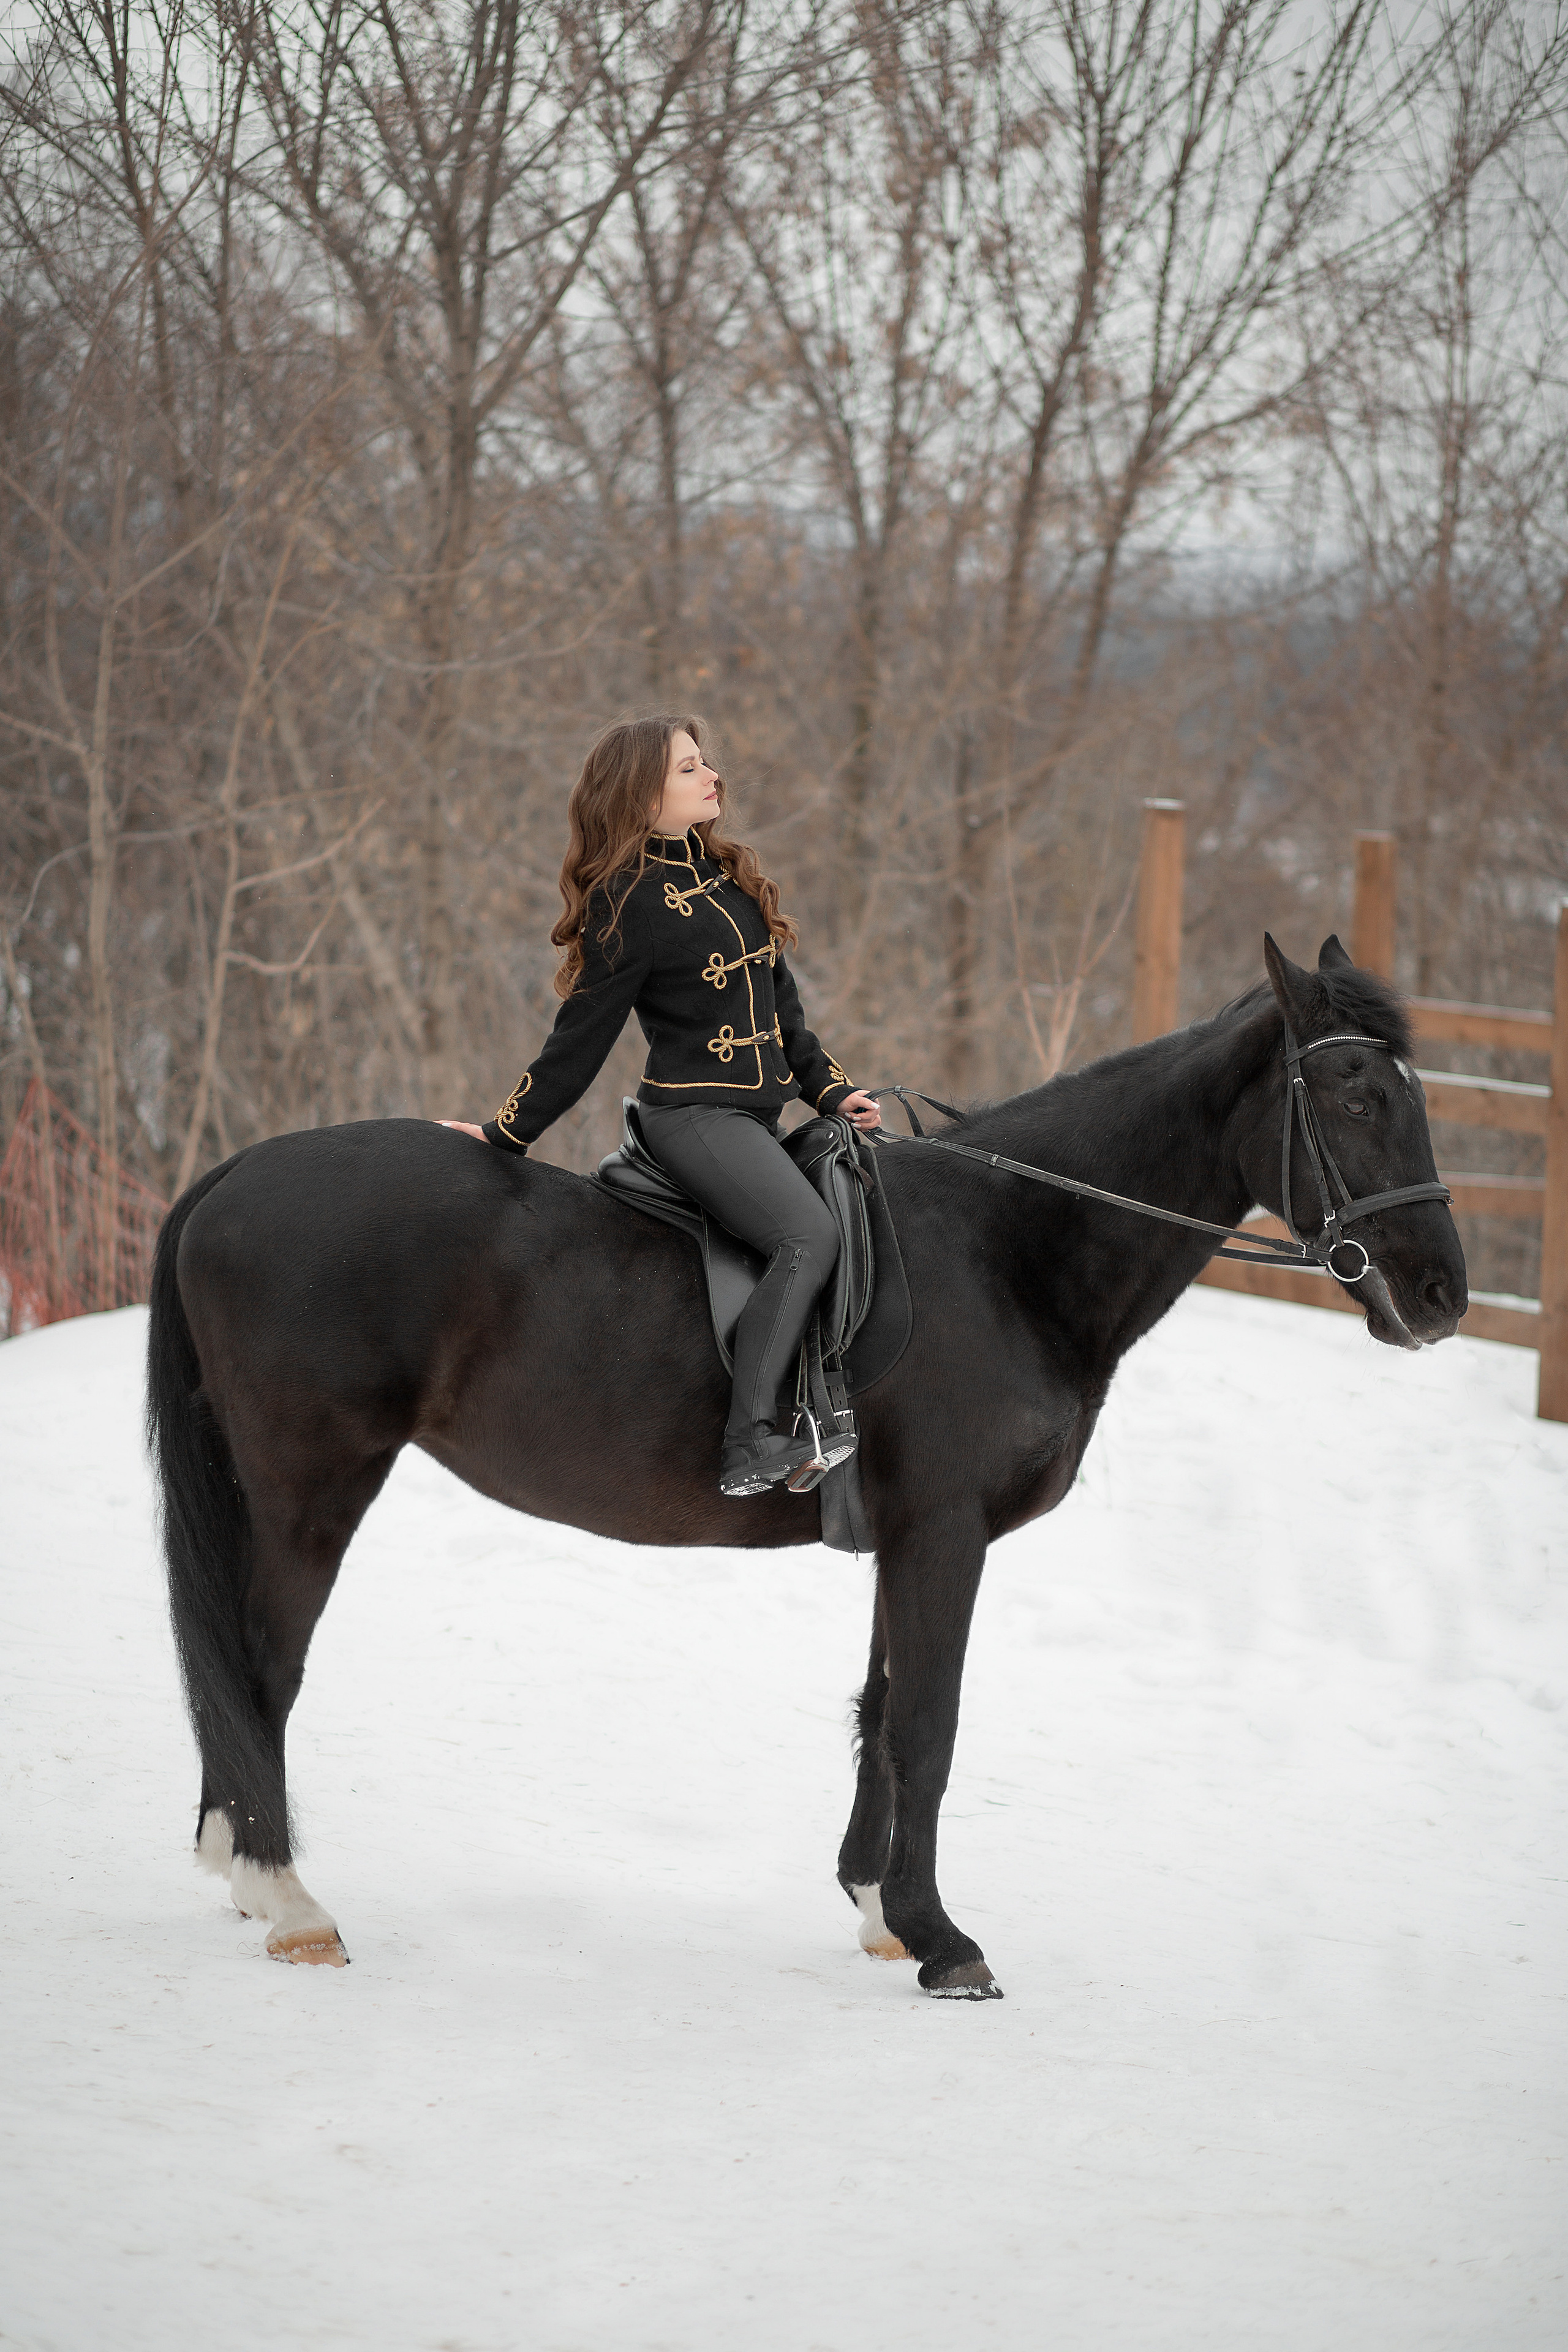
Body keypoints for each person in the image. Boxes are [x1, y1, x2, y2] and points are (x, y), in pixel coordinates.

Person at [442, 714, 882, 1497]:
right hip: (692, 1120)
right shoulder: (627, 901)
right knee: (806, 1235)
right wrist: (503, 1132)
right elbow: (580, 1039)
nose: (711, 775)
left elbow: (788, 1020)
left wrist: (832, 1090)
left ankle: (819, 1404)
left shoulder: (731, 880)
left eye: (704, 761)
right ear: (643, 797)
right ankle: (750, 1440)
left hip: (756, 1118)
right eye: (688, 768)